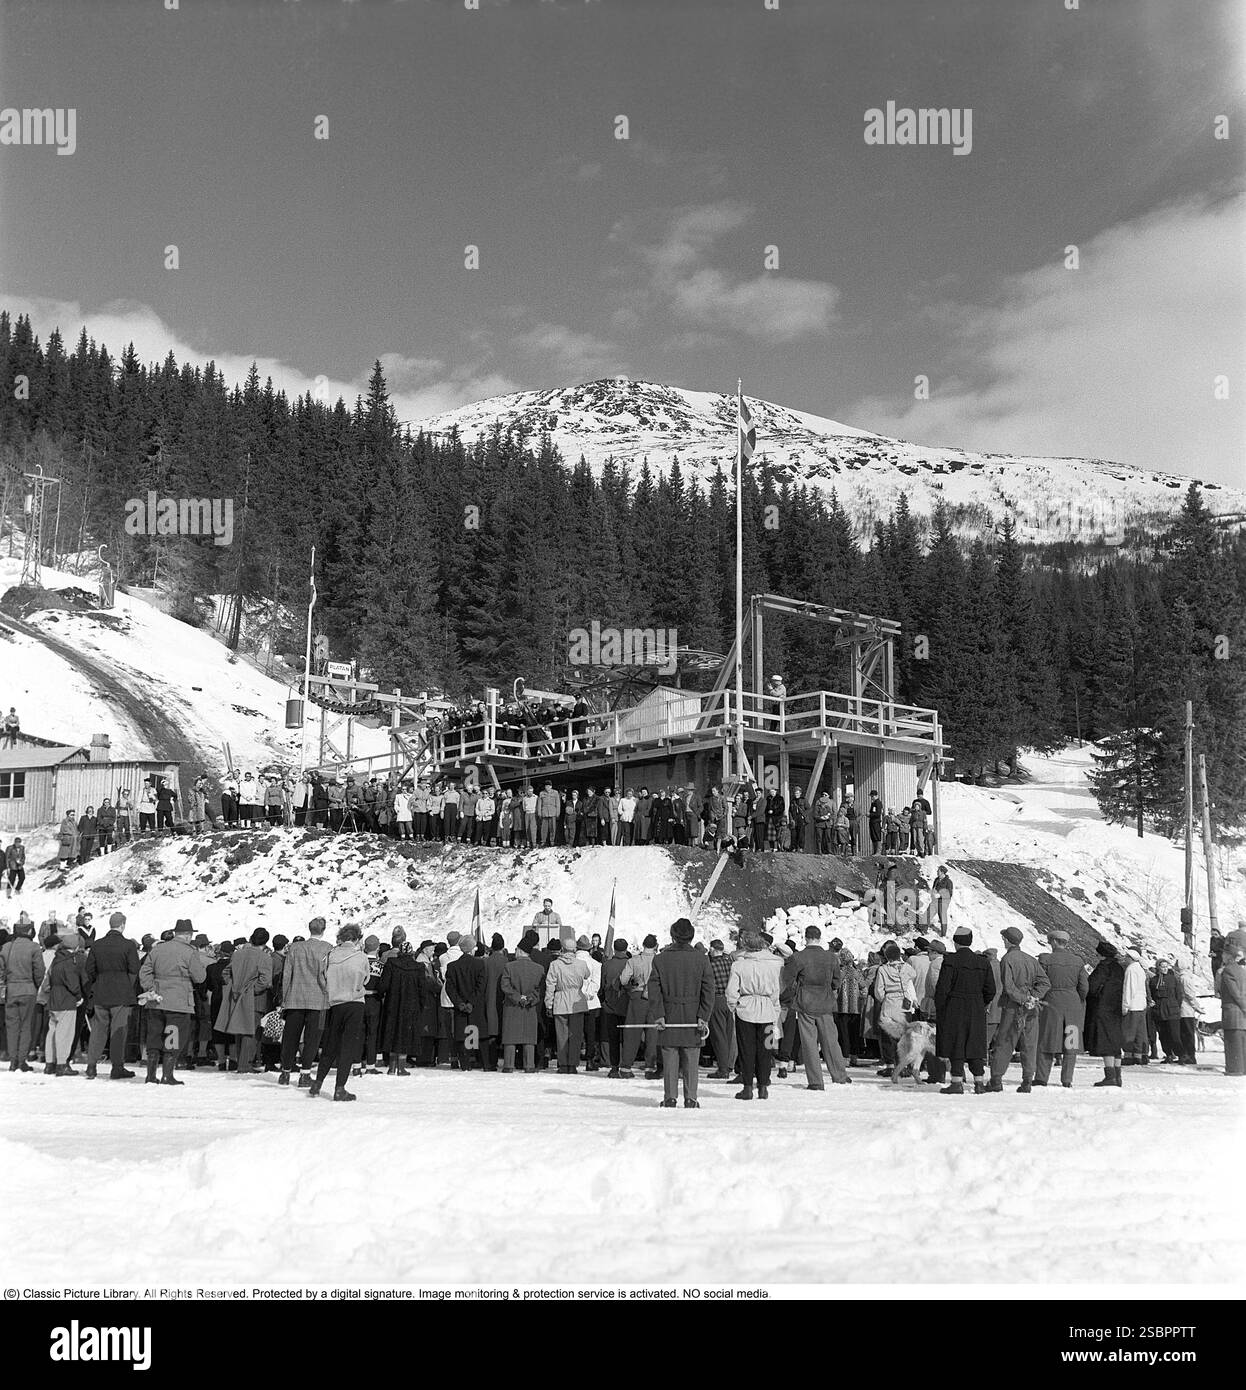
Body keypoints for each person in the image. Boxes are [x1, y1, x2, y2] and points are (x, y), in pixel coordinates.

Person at [649, 918, 715, 1109]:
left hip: (669, 1013)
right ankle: (691, 1098)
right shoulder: (701, 959)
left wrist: (659, 1014)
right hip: (693, 1015)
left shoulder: (660, 958)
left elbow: (654, 989)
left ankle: (670, 1098)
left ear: (673, 935)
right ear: (691, 936)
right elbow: (709, 989)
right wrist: (704, 1015)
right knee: (691, 1057)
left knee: (669, 1056)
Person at [138, 919, 207, 1085]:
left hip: (155, 999)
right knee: (173, 1036)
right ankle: (167, 1075)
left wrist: (150, 988)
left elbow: (144, 971)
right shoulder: (189, 952)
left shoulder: (158, 949)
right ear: (188, 935)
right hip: (179, 1001)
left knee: (154, 1036)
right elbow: (200, 977)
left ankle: (150, 1075)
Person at [782, 926, 851, 1089]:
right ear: (819, 938)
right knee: (831, 1041)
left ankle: (815, 1081)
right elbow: (836, 982)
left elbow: (787, 979)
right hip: (826, 1002)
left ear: (806, 938)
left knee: (809, 1043)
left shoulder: (798, 957)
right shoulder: (831, 958)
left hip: (805, 1001)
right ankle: (840, 1075)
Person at [308, 924, 371, 1101]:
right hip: (355, 1002)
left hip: (335, 1003)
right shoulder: (361, 957)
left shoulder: (330, 955)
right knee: (347, 1046)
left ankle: (317, 1083)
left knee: (330, 1044)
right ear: (357, 938)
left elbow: (323, 977)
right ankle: (340, 1088)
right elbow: (365, 978)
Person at [933, 927, 996, 1094]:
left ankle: (956, 1082)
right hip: (976, 1005)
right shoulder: (983, 962)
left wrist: (941, 1007)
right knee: (975, 1044)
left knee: (957, 1043)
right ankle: (979, 1082)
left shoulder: (950, 961)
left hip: (954, 1005)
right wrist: (982, 1002)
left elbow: (942, 988)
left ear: (955, 942)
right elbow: (991, 989)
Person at [987, 927, 1050, 1093]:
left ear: (1007, 940)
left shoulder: (1007, 959)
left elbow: (1008, 986)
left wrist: (1023, 999)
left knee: (1005, 1043)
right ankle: (1027, 1081)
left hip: (1013, 1008)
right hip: (1032, 1008)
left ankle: (996, 1080)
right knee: (1029, 1044)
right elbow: (1045, 983)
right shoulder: (1031, 959)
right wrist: (1033, 997)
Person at [725, 930, 782, 1100]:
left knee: (746, 1050)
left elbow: (731, 991)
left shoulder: (738, 965)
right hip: (768, 1009)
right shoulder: (773, 966)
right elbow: (775, 992)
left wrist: (734, 1006)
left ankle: (748, 1086)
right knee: (766, 1049)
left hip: (745, 1009)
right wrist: (775, 1011)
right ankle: (763, 1086)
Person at [83, 911, 139, 1080]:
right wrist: (126, 985)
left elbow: (89, 970)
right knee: (118, 1031)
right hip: (121, 993)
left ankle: (91, 1066)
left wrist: (97, 985)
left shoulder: (97, 944)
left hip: (100, 992)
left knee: (98, 1031)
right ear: (122, 925)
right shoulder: (128, 945)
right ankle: (117, 1067)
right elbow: (134, 969)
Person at [278, 917, 332, 1087]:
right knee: (312, 1039)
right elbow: (326, 975)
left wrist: (285, 997)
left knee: (290, 1037)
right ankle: (305, 1074)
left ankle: (285, 1072)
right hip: (318, 1000)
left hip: (295, 998)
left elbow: (287, 975)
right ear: (323, 930)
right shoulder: (327, 949)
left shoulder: (295, 948)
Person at [214, 928, 274, 1073]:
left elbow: (226, 972)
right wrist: (253, 990)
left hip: (236, 996)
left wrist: (234, 986)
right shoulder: (264, 957)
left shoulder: (237, 954)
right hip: (255, 999)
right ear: (265, 942)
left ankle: (241, 1062)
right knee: (251, 1032)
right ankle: (244, 1064)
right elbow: (265, 980)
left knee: (239, 1030)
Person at [1034, 929, 1087, 1088]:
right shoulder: (1078, 961)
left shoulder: (1045, 960)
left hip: (1051, 1003)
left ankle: (1042, 1078)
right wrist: (1078, 999)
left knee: (1047, 1040)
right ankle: (1067, 1079)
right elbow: (1084, 986)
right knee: (1071, 1041)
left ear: (1055, 942)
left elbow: (1039, 982)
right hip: (1072, 1004)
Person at [376, 927, 426, 1072]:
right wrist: (421, 1005)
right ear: (410, 952)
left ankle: (391, 1067)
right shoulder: (418, 967)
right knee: (406, 1035)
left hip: (393, 1003)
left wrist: (381, 996)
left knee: (392, 1032)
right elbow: (422, 989)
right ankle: (402, 1067)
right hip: (412, 1005)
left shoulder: (391, 964)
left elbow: (383, 985)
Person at [1, 918, 44, 1069]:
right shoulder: (34, 947)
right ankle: (21, 1060)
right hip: (28, 989)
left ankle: (13, 1060)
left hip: (11, 990)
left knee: (11, 1026)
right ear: (29, 931)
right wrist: (36, 985)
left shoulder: (6, 947)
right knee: (25, 1026)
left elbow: (1, 970)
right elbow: (39, 971)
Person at [544, 937, 591, 1074]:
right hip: (577, 1001)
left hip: (561, 1001)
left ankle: (563, 1064)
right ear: (575, 949)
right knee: (576, 1035)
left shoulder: (555, 965)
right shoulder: (581, 964)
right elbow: (587, 975)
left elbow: (550, 985)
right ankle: (573, 1064)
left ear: (562, 950)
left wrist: (548, 1004)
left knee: (561, 1035)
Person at [43, 930, 87, 1075]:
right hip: (66, 1000)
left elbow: (47, 981)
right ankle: (62, 1064)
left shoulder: (56, 959)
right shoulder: (70, 961)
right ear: (75, 946)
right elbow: (72, 982)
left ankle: (49, 1063)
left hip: (54, 998)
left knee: (52, 1031)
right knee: (65, 1033)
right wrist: (79, 996)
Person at [500, 931, 544, 1073]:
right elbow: (540, 990)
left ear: (519, 950)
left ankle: (508, 1065)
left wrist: (518, 998)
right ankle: (529, 1065)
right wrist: (528, 999)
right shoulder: (539, 969)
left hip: (512, 1006)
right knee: (529, 1037)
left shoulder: (509, 966)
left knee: (510, 1037)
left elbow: (505, 987)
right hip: (529, 1007)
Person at [1084, 941, 1126, 1088]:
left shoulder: (1103, 967)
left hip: (1103, 1006)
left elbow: (1093, 986)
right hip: (1116, 1007)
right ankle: (1117, 1075)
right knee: (1115, 1041)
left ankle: (1110, 1076)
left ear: (1101, 954)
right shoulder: (1119, 967)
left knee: (1106, 1041)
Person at [618, 933, 660, 1079]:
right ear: (655, 946)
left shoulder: (634, 960)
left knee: (632, 1032)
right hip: (655, 998)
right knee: (653, 1033)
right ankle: (650, 1066)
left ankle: (626, 1067)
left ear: (643, 945)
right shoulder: (659, 960)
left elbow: (623, 980)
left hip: (637, 997)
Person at [446, 935, 489, 1069]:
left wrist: (460, 1003)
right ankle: (481, 1062)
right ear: (472, 949)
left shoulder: (452, 966)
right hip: (475, 1007)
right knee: (477, 1033)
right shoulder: (479, 964)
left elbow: (450, 988)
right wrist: (471, 1002)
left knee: (462, 1035)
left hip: (460, 1008)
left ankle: (465, 1064)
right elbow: (481, 986)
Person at [705, 939, 738, 1080]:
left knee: (719, 1036)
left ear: (713, 949)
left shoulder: (710, 965)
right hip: (731, 1000)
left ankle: (723, 1068)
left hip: (717, 999)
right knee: (729, 1034)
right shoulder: (730, 963)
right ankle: (729, 1064)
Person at [599, 937, 631, 1075]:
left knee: (613, 1037)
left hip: (610, 1005)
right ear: (626, 948)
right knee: (627, 1037)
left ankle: (614, 1066)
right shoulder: (630, 963)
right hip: (626, 1004)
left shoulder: (607, 964)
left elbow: (601, 986)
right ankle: (625, 1065)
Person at [1218, 932, 1246, 1077]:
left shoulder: (1228, 970)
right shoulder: (1241, 971)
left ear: (1229, 956)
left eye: (1224, 954)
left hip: (1232, 1012)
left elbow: (1235, 993)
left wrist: (1243, 1006)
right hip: (1241, 1015)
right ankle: (1242, 1068)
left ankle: (1234, 1069)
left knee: (1232, 1042)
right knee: (1241, 1043)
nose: (1222, 956)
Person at [1151, 957, 1184, 1063]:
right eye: (1162, 967)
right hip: (1159, 1010)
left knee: (1174, 1034)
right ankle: (1168, 1054)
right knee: (1163, 1034)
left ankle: (1180, 1055)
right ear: (1158, 967)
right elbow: (1152, 994)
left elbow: (1179, 994)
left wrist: (1176, 1006)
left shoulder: (1173, 979)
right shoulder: (1154, 980)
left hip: (1172, 1009)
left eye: (1166, 967)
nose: (1164, 969)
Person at [1121, 950, 1151, 1066]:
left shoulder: (1131, 970)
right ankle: (1140, 1055)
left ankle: (1129, 1055)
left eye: (1126, 957)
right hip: (1141, 1004)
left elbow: (1129, 988)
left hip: (1132, 1004)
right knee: (1140, 1032)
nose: (1124, 959)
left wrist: (1125, 1005)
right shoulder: (1141, 969)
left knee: (1129, 1031)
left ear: (1130, 958)